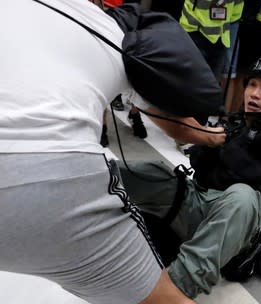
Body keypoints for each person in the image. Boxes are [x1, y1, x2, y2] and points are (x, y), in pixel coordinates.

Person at [0, 1, 225, 304]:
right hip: (50, 176)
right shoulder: (109, 29)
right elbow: (177, 125)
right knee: (164, 299)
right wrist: (214, 137)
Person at [118, 58, 261, 299]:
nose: (255, 93)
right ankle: (86, 184)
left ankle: (175, 289)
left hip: (234, 229)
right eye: (252, 85)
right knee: (155, 171)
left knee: (243, 195)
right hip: (197, 204)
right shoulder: (232, 124)